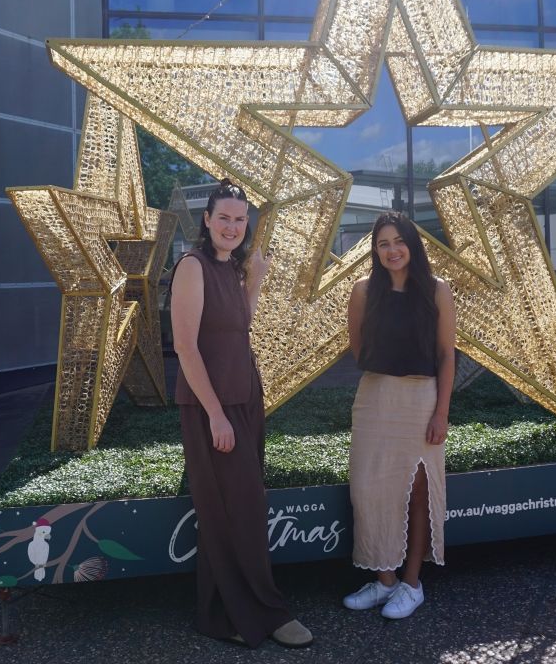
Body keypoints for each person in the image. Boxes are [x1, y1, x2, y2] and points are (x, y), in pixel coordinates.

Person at [170, 178, 313, 649]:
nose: (232, 226)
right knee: (239, 509)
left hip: (245, 398)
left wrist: (254, 280)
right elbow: (186, 348)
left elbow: (239, 326)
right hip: (215, 405)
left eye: (239, 219)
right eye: (223, 217)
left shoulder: (230, 268)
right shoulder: (192, 267)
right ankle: (265, 612)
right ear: (206, 220)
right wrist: (215, 414)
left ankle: (220, 613)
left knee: (237, 507)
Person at [342, 211, 456, 619]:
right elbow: (357, 347)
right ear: (375, 250)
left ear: (412, 243)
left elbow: (446, 355)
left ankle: (411, 584)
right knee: (370, 490)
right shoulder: (362, 290)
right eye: (383, 243)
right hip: (375, 398)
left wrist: (441, 412)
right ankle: (384, 580)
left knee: (418, 492)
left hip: (421, 400)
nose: (392, 250)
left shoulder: (437, 290)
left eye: (398, 241)